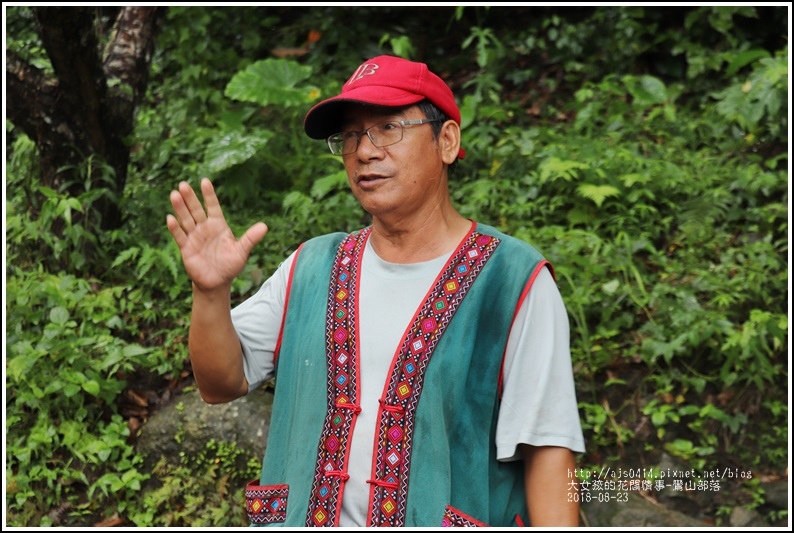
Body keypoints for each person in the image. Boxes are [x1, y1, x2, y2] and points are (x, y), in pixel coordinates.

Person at [166, 54, 585, 527]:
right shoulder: (311, 268)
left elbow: (549, 448)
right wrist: (210, 292)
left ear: (446, 141)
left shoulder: (512, 280)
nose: (365, 151)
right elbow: (220, 383)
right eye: (350, 135)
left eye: (388, 127)